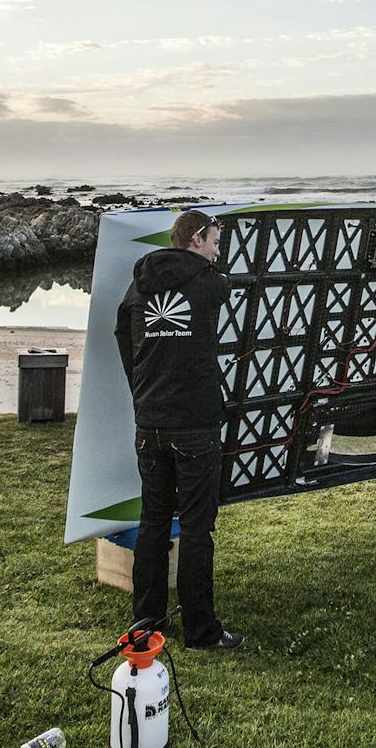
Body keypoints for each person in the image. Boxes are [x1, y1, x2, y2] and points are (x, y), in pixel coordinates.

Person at [112, 209, 243, 650]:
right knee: (195, 528)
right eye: (216, 242)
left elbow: (120, 332)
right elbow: (225, 283)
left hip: (150, 421)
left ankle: (145, 623)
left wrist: (143, 387)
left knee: (152, 522)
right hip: (194, 424)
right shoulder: (209, 281)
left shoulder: (140, 283)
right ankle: (202, 631)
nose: (217, 251)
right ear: (197, 240)